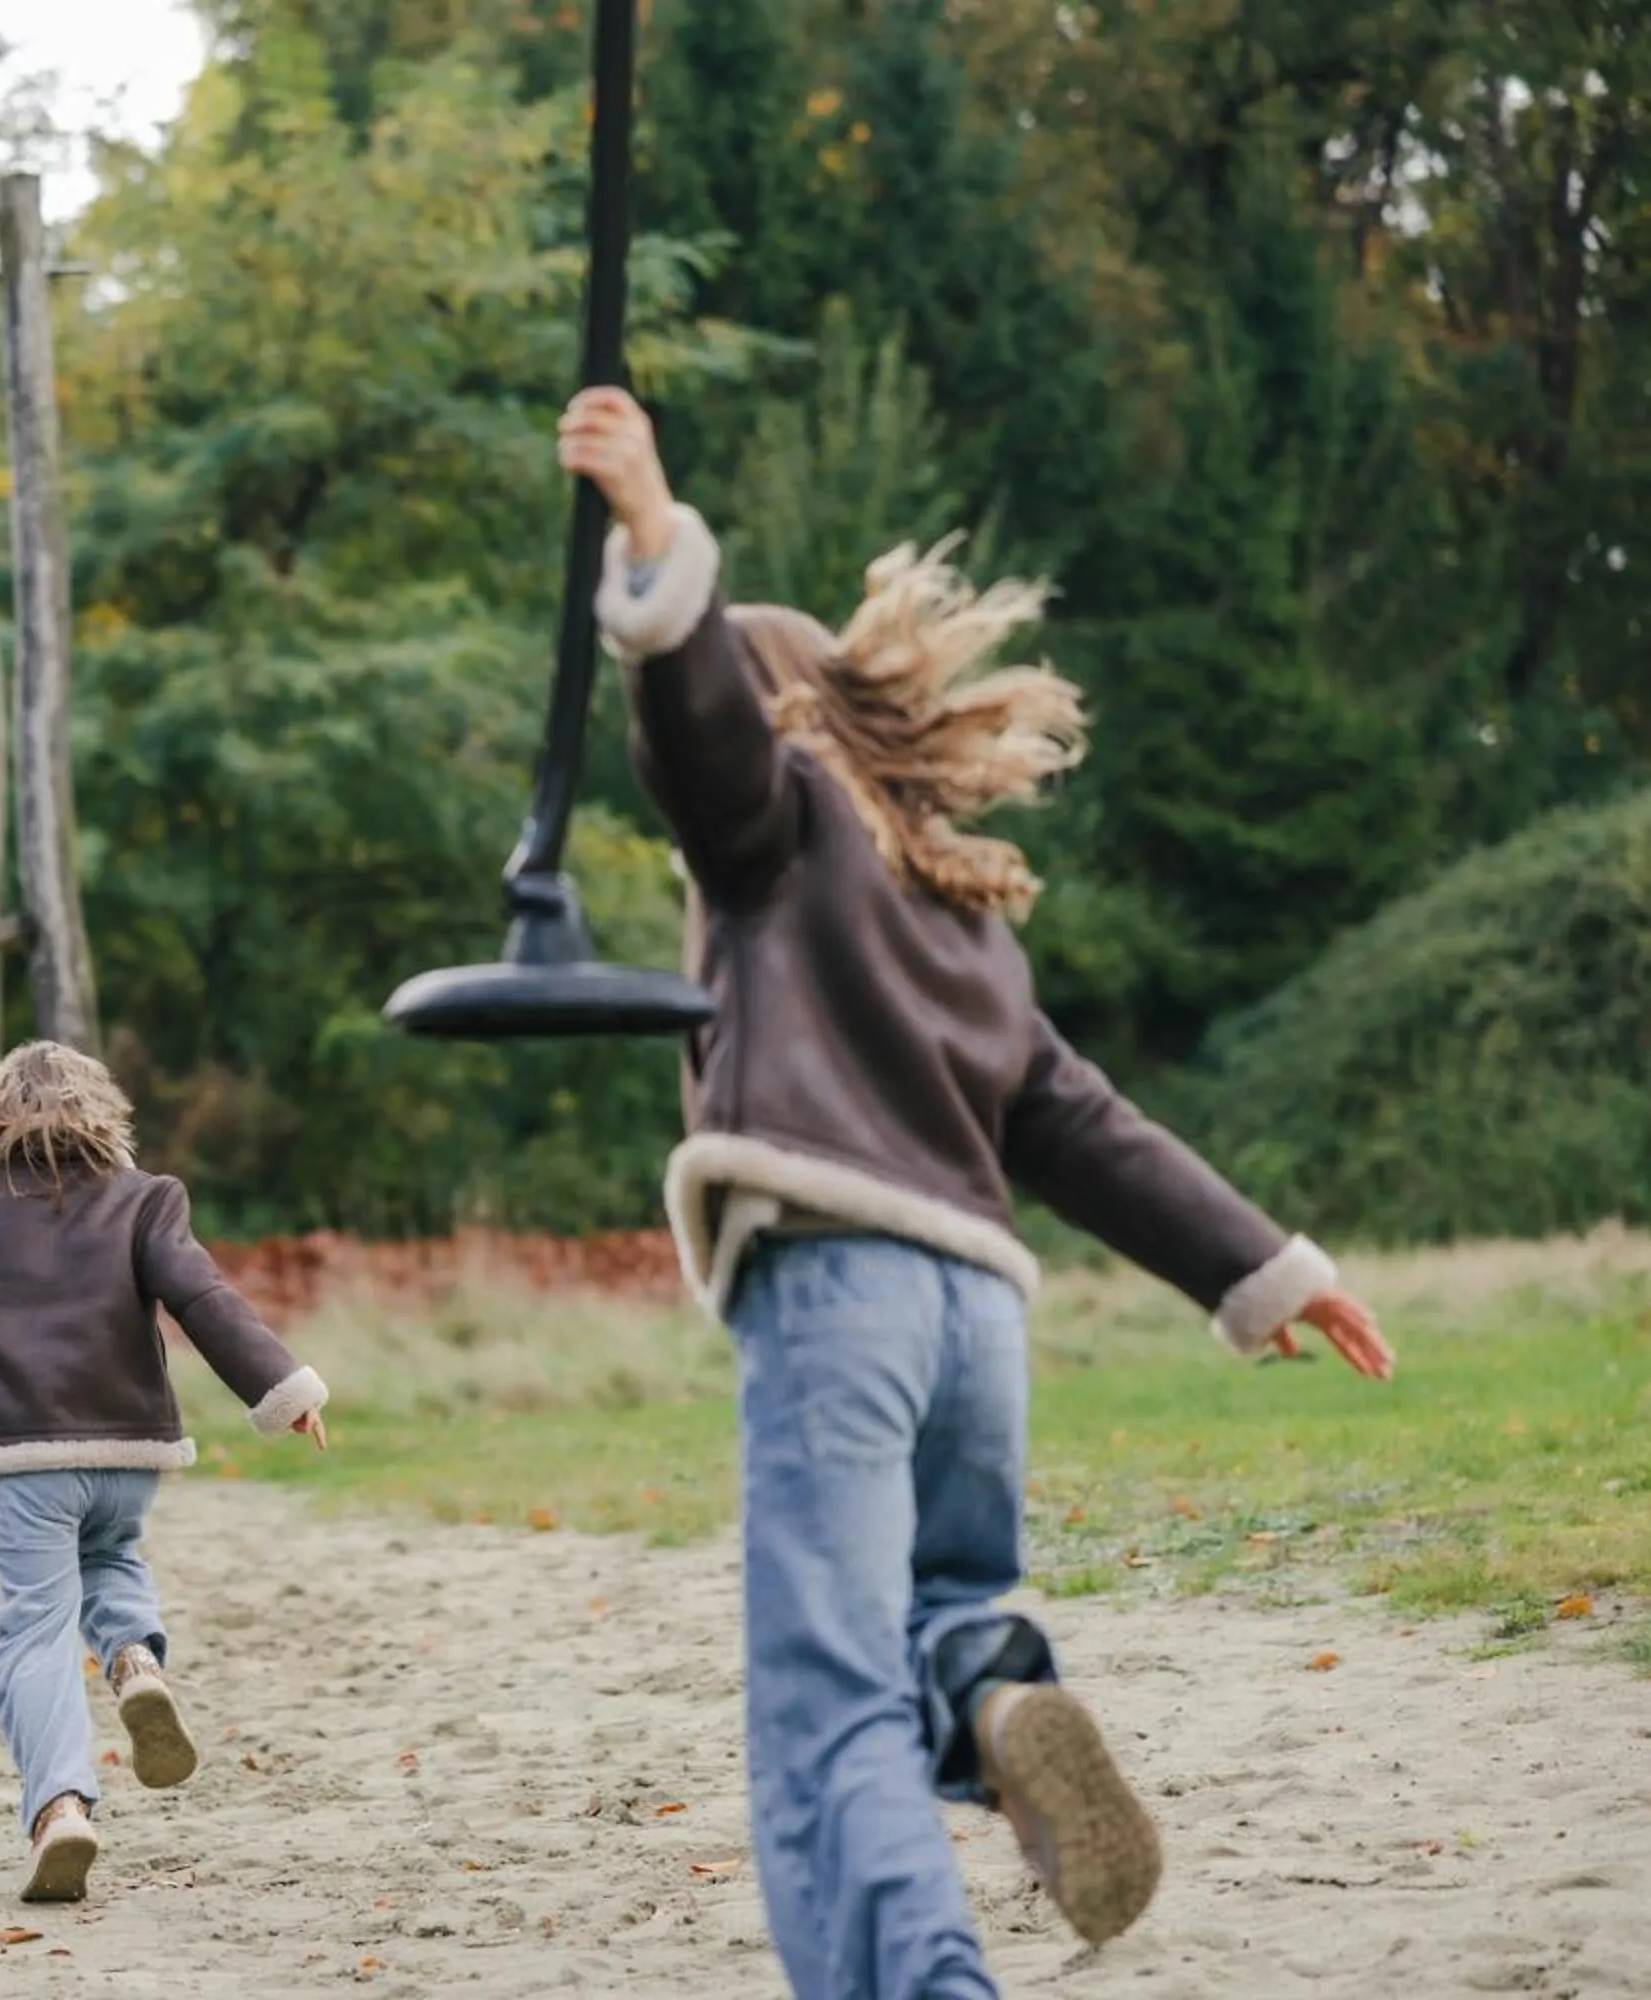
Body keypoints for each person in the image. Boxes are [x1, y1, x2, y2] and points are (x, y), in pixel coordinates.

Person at [556, 385, 1396, 1995]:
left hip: (840, 1293)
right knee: (942, 1606)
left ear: (780, 718)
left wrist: (656, 538)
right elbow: (1076, 1119)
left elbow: (707, 739)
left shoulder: (771, 823)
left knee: (825, 1710)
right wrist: (1271, 1268)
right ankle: (997, 1690)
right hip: (976, 1323)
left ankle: (928, 1974)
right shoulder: (956, 909)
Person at [0, 1039, 332, 1905]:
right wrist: (282, 1389)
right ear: (101, 1117)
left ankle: (60, 1808)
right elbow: (203, 1298)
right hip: (129, 1452)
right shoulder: (147, 1201)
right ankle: (134, 1662)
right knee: (113, 1557)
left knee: (33, 1632)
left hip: (25, 1459)